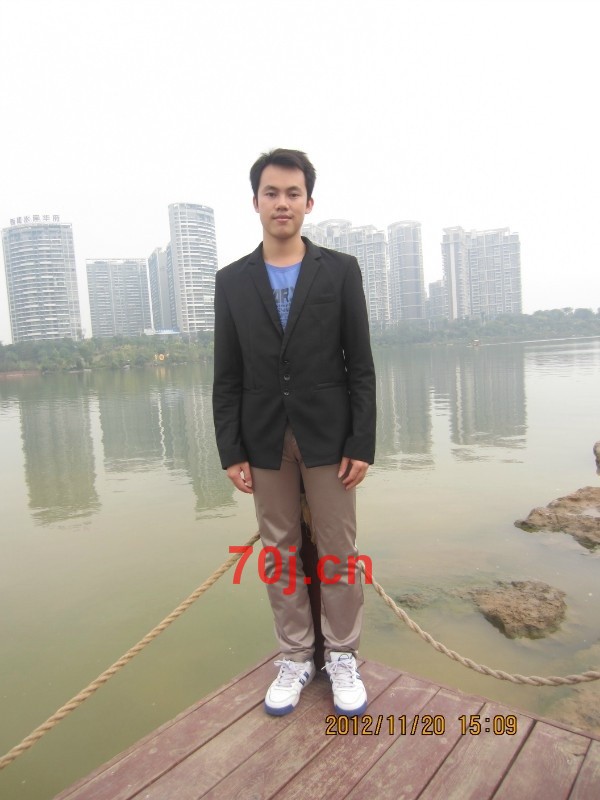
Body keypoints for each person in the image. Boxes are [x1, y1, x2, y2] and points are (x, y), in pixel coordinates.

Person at [212, 148, 376, 717]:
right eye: (271, 193)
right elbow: (226, 374)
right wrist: (230, 450)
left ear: (309, 202)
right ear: (255, 202)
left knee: (338, 549)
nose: (282, 203)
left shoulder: (340, 270)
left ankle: (343, 654)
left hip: (329, 436)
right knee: (280, 553)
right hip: (263, 439)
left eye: (292, 193)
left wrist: (361, 442)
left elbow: (360, 364)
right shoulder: (232, 281)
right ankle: (296, 656)